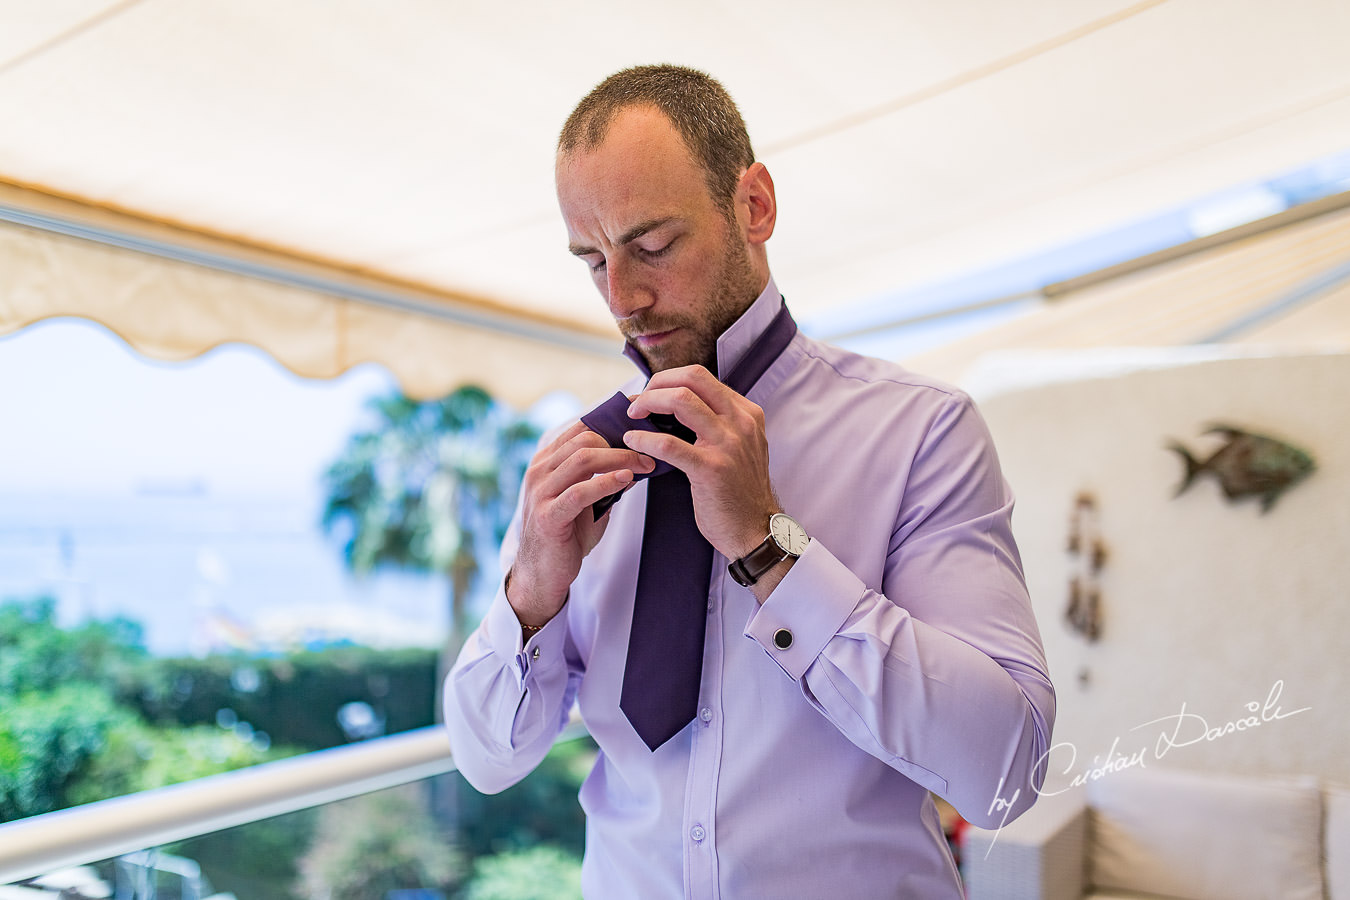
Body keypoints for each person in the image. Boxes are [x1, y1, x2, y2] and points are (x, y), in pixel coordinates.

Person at [445, 64, 1055, 898]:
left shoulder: (922, 431)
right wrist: (533, 591)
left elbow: (1008, 769)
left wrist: (772, 546)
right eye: (592, 260)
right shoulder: (578, 467)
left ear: (754, 205)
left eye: (653, 245)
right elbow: (484, 761)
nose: (623, 298)